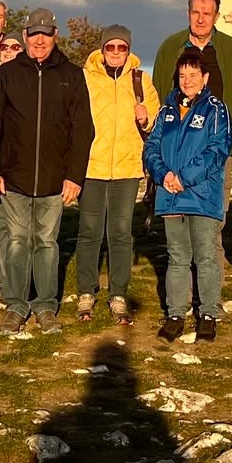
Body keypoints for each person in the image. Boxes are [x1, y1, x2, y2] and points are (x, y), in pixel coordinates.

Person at [0, 14, 95, 333]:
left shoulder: (71, 75)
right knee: (17, 241)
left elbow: (83, 130)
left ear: (55, 35)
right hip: (12, 178)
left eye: (45, 34)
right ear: (26, 35)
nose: (39, 40)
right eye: (34, 34)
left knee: (46, 242)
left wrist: (75, 176)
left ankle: (45, 306)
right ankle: (16, 305)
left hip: (54, 181)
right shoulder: (8, 74)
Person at [144, 47, 232, 341]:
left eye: (193, 75)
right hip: (170, 194)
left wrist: (185, 177)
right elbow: (151, 147)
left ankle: (208, 312)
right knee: (177, 257)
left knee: (206, 256)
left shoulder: (216, 109)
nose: (187, 80)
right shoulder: (167, 110)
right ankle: (175, 313)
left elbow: (218, 149)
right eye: (183, 75)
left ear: (205, 77)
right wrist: (164, 175)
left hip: (201, 195)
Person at [77, 25, 160, 322]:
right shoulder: (85, 79)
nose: (115, 53)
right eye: (109, 47)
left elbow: (155, 120)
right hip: (92, 166)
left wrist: (146, 117)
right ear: (101, 50)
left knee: (121, 233)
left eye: (121, 48)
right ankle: (86, 291)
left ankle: (118, 294)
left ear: (128, 50)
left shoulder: (141, 80)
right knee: (89, 232)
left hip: (126, 168)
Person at [153, 0, 232, 125]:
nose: (200, 20)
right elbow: (158, 89)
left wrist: (226, 124)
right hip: (178, 132)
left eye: (207, 14)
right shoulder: (171, 46)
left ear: (216, 17)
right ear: (188, 14)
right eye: (196, 13)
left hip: (217, 133)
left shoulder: (231, 48)